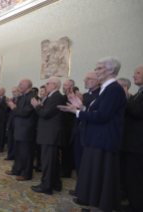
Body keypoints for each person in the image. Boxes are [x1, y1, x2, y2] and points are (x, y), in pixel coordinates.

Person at [58, 57, 127, 212]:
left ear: (111, 70)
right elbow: (96, 113)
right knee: (95, 175)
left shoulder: (114, 89)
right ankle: (95, 205)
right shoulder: (106, 88)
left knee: (101, 175)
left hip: (105, 140)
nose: (96, 71)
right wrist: (81, 107)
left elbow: (102, 116)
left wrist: (77, 113)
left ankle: (101, 207)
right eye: (96, 68)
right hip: (97, 138)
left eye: (99, 68)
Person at [30, 77, 65, 195]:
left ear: (54, 85)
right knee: (52, 161)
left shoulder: (56, 97)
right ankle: (55, 183)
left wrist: (36, 106)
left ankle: (46, 186)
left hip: (50, 135)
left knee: (48, 162)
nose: (45, 86)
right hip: (49, 134)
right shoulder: (53, 97)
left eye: (47, 84)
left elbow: (45, 114)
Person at [68, 72, 100, 196]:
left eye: (89, 79)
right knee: (79, 163)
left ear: (98, 81)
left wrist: (80, 106)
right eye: (85, 79)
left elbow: (93, 114)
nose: (85, 81)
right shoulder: (86, 95)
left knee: (87, 166)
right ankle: (80, 189)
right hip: (79, 132)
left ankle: (86, 193)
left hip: (90, 135)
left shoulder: (100, 95)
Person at [5, 79, 37, 181]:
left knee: (26, 153)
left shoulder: (32, 97)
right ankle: (16, 169)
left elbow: (24, 113)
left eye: (20, 85)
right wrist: (12, 105)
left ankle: (26, 174)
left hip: (26, 130)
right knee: (18, 152)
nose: (19, 87)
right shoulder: (23, 97)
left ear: (27, 85)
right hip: (19, 129)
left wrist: (13, 107)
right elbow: (18, 110)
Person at [121, 66, 143, 212]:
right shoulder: (137, 94)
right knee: (130, 177)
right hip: (131, 142)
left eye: (138, 73)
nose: (134, 75)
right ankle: (132, 204)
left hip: (138, 144)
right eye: (134, 72)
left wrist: (125, 99)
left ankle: (136, 207)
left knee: (136, 178)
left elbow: (137, 112)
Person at [60, 79, 76, 178]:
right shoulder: (62, 97)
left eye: (66, 85)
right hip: (61, 128)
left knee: (68, 151)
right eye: (63, 85)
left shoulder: (74, 98)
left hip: (70, 128)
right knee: (63, 150)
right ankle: (62, 168)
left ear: (71, 87)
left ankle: (66, 171)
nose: (63, 87)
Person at [4, 86, 20, 161]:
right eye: (12, 92)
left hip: (18, 124)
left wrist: (14, 106)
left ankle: (16, 156)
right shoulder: (12, 99)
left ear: (19, 91)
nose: (13, 93)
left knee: (16, 142)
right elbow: (7, 111)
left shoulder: (21, 100)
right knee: (10, 140)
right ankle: (10, 155)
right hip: (10, 122)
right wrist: (8, 104)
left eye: (15, 91)